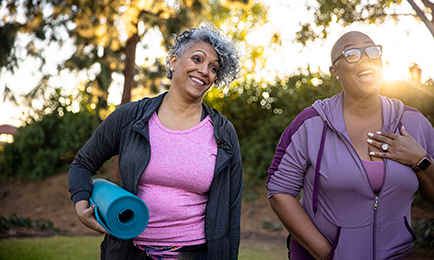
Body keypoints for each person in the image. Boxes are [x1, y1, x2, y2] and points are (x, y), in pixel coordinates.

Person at [68, 24, 242, 260]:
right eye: (197, 59)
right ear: (173, 61)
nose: (204, 70)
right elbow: (82, 163)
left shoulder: (223, 132)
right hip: (131, 253)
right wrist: (81, 206)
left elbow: (232, 209)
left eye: (213, 68)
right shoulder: (131, 117)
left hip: (196, 254)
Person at [267, 31, 434, 260]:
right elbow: (280, 191)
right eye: (351, 53)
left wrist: (420, 160)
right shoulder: (311, 124)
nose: (365, 57)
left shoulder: (415, 123)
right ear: (334, 72)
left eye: (371, 50)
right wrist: (326, 253)